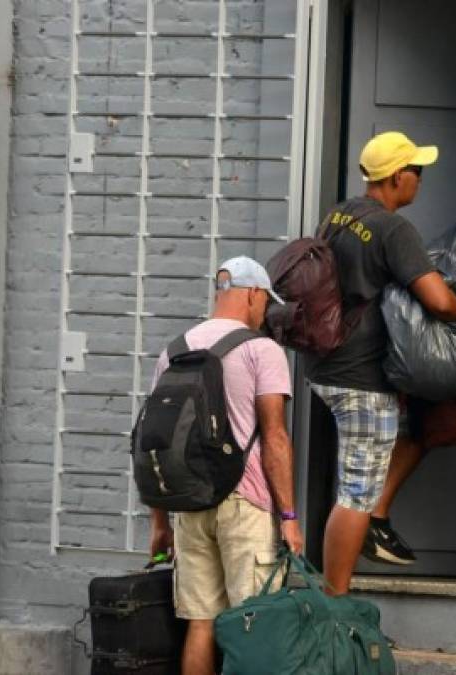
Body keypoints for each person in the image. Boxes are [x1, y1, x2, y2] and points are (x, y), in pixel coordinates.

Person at [306, 131, 456, 593]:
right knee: (356, 494)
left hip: (326, 367)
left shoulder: (340, 214)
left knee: (367, 476)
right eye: (418, 171)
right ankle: (335, 601)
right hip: (360, 379)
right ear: (398, 177)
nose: (420, 180)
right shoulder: (393, 230)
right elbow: (438, 301)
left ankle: (356, 556)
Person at [148, 256, 303, 675]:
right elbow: (275, 438)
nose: (265, 313)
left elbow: (156, 441)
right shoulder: (261, 350)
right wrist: (288, 515)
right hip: (245, 503)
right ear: (252, 294)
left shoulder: (173, 351)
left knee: (201, 623)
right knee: (252, 625)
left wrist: (159, 524)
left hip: (189, 504)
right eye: (265, 303)